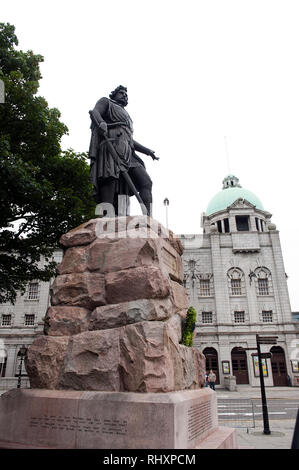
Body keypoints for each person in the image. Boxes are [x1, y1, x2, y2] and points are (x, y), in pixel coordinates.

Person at [89, 85, 159, 216]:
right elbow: (95, 112)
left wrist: (147, 151)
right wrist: (101, 123)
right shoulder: (106, 102)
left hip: (128, 151)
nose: (125, 96)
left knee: (146, 182)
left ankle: (148, 218)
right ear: (114, 95)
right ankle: (106, 216)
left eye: (126, 95)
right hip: (111, 145)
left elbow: (129, 139)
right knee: (110, 178)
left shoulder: (127, 117)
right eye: (122, 93)